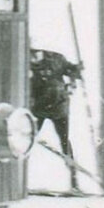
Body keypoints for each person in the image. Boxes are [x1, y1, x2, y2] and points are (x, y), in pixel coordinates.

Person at [29, 48, 84, 190]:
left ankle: (74, 183)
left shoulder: (56, 59)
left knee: (65, 142)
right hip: (39, 109)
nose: (33, 58)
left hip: (59, 108)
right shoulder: (24, 62)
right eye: (31, 55)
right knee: (26, 141)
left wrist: (76, 71)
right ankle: (19, 181)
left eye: (35, 55)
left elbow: (72, 71)